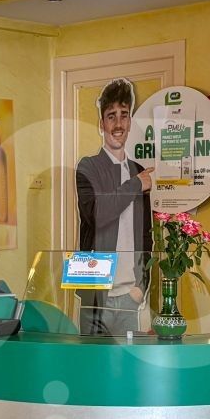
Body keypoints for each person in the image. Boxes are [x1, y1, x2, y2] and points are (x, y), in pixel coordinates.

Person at [75, 78, 153, 335]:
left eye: (124, 115)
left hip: (130, 296)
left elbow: (146, 235)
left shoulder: (138, 171)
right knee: (93, 359)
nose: (118, 124)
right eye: (111, 116)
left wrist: (141, 286)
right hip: (97, 296)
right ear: (102, 124)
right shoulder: (88, 167)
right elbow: (97, 213)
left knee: (127, 361)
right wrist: (135, 185)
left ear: (130, 121)